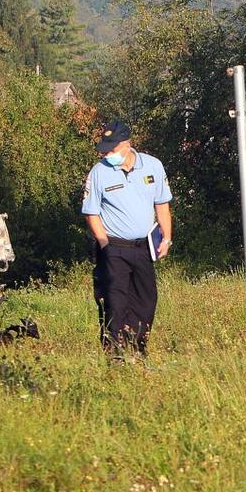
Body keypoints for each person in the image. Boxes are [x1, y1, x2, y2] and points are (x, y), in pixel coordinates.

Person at [81, 121, 173, 358]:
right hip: (113, 247)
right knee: (115, 302)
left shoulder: (152, 166)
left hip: (144, 247)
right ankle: (115, 353)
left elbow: (162, 205)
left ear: (127, 145)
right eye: (105, 150)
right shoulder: (99, 172)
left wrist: (167, 238)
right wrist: (104, 244)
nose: (107, 154)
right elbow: (91, 213)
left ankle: (139, 347)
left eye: (111, 149)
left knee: (146, 300)